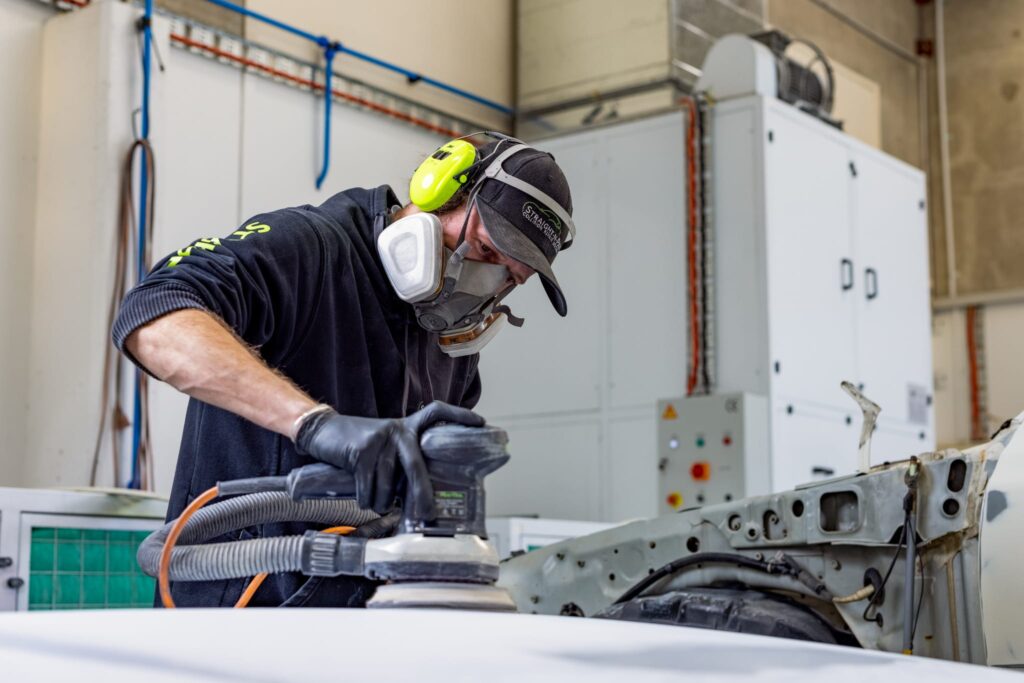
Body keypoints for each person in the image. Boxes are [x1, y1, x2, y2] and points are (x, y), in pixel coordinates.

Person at [113, 133, 576, 607]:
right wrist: (312, 424)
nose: (486, 281)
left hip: (358, 632)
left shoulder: (451, 347)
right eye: (485, 248)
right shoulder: (310, 248)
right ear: (439, 187)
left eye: (509, 277)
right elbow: (155, 316)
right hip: (233, 618)